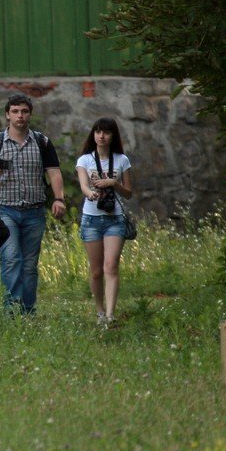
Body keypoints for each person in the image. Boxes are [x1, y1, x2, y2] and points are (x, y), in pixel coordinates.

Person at [0, 94, 68, 314]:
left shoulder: (42, 142)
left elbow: (54, 172)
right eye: (15, 111)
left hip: (34, 211)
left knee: (30, 265)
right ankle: (12, 312)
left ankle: (28, 311)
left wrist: (59, 198)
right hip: (5, 210)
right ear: (7, 115)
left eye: (24, 111)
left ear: (30, 114)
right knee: (11, 258)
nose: (20, 116)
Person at [76, 117, 134, 326]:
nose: (101, 136)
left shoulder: (121, 160)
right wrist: (91, 193)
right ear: (93, 134)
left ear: (113, 136)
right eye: (98, 132)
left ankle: (110, 313)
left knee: (111, 266)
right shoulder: (85, 160)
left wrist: (113, 183)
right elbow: (83, 184)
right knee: (96, 270)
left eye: (106, 132)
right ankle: (100, 310)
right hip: (91, 218)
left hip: (115, 219)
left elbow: (128, 193)